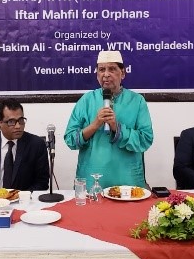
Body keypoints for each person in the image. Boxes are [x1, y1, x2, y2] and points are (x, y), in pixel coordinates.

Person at [64, 50, 153, 188]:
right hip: (91, 181)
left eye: (112, 69)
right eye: (101, 70)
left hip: (127, 182)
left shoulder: (137, 101)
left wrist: (116, 128)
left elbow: (145, 140)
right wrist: (95, 125)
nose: (106, 74)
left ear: (122, 73)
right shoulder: (86, 100)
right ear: (97, 74)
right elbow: (70, 140)